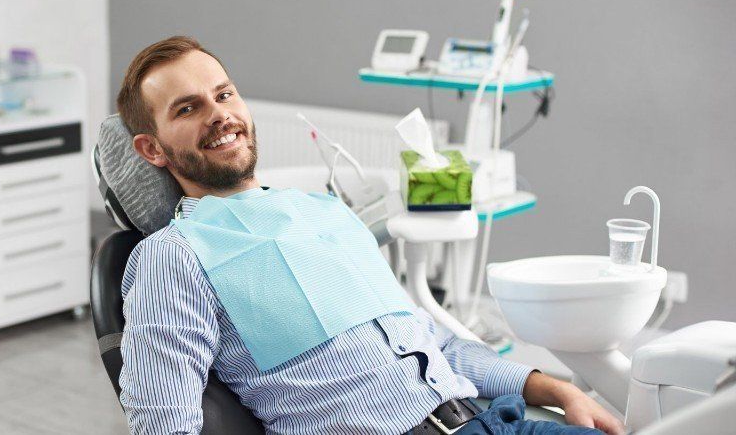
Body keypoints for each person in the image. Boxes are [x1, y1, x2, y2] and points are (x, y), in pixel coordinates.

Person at [115, 36, 624, 435]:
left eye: (224, 94)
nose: (219, 114)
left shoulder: (325, 212)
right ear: (152, 149)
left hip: (489, 421)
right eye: (187, 109)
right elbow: (164, 423)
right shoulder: (175, 256)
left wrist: (558, 390)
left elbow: (433, 342)